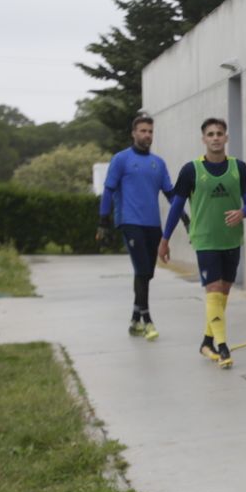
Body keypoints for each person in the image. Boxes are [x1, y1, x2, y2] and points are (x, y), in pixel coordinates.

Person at [159, 118, 246, 370]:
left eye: (219, 133)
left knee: (222, 292)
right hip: (204, 239)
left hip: (231, 239)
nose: (215, 138)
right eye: (210, 134)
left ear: (226, 138)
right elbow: (176, 207)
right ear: (203, 139)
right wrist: (165, 239)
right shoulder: (191, 170)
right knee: (213, 289)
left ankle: (206, 342)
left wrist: (242, 213)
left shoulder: (239, 168)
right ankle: (223, 347)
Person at [98, 113, 176, 339]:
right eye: (143, 131)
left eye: (150, 131)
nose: (147, 135)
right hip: (130, 221)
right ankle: (148, 320)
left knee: (146, 273)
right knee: (142, 269)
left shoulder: (158, 163)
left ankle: (134, 319)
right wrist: (103, 220)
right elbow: (109, 190)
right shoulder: (121, 159)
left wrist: (186, 218)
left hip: (153, 224)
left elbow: (171, 194)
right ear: (133, 133)